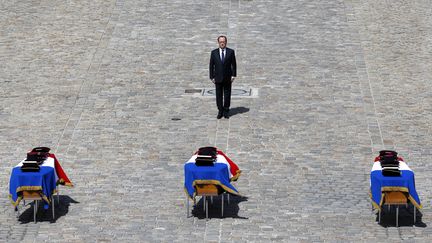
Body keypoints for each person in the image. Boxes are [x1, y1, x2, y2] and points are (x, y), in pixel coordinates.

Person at [209, 35, 237, 119]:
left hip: (227, 78)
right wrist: (211, 77)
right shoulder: (214, 53)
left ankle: (226, 110)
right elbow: (211, 65)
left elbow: (234, 64)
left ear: (226, 42)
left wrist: (233, 75)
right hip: (218, 78)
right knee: (219, 95)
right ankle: (220, 110)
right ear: (218, 42)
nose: (222, 43)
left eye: (223, 42)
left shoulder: (230, 52)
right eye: (220, 42)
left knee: (227, 95)